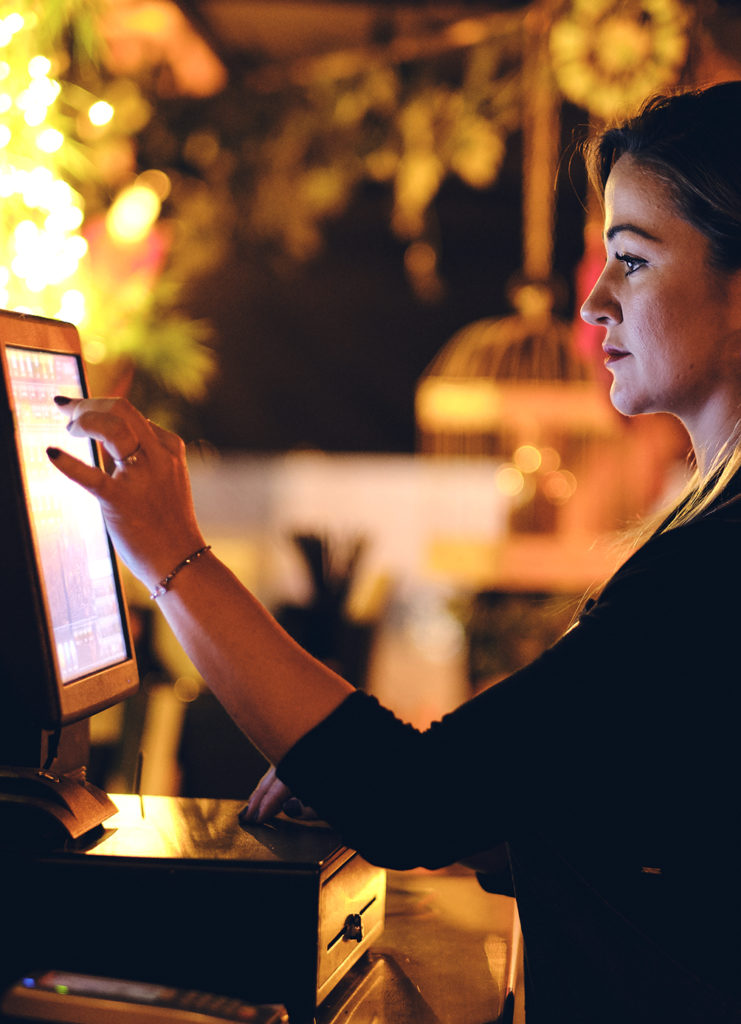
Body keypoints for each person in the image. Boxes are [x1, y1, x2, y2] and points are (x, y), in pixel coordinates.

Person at [47, 81, 741, 1023]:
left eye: (632, 261)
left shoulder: (714, 569)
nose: (593, 303)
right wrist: (493, 828)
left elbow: (409, 803)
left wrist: (171, 556)